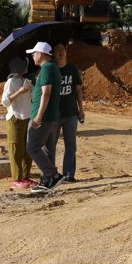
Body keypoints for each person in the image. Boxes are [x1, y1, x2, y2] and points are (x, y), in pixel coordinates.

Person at [24, 42, 64, 193]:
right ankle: (47, 181)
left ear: (40, 54)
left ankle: (51, 175)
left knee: (32, 147)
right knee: (47, 150)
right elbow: (54, 96)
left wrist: (38, 116)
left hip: (43, 116)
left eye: (34, 53)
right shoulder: (53, 68)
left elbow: (46, 94)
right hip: (50, 116)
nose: (32, 56)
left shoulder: (47, 69)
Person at [53, 42, 86, 183]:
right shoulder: (50, 69)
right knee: (50, 145)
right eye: (58, 50)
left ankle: (68, 174)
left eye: (63, 49)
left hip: (71, 113)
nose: (61, 52)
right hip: (54, 115)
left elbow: (78, 90)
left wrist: (81, 110)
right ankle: (51, 173)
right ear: (53, 53)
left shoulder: (72, 69)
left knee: (71, 145)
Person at [1, 57, 34, 189]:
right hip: (15, 117)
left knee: (27, 148)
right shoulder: (11, 82)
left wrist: (30, 88)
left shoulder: (24, 81)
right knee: (15, 148)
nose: (27, 68)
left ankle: (26, 176)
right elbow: (5, 101)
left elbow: (31, 96)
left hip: (27, 116)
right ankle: (17, 178)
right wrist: (19, 92)